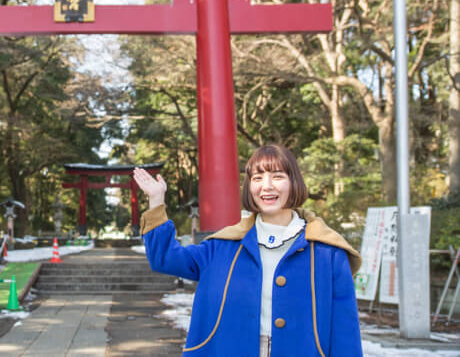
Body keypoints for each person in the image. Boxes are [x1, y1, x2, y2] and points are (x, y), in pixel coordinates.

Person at [133, 144, 363, 357]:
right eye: (258, 177)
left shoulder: (328, 252)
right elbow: (166, 258)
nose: (267, 186)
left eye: (278, 176)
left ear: (294, 182)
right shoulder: (223, 246)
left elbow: (345, 328)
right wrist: (156, 200)